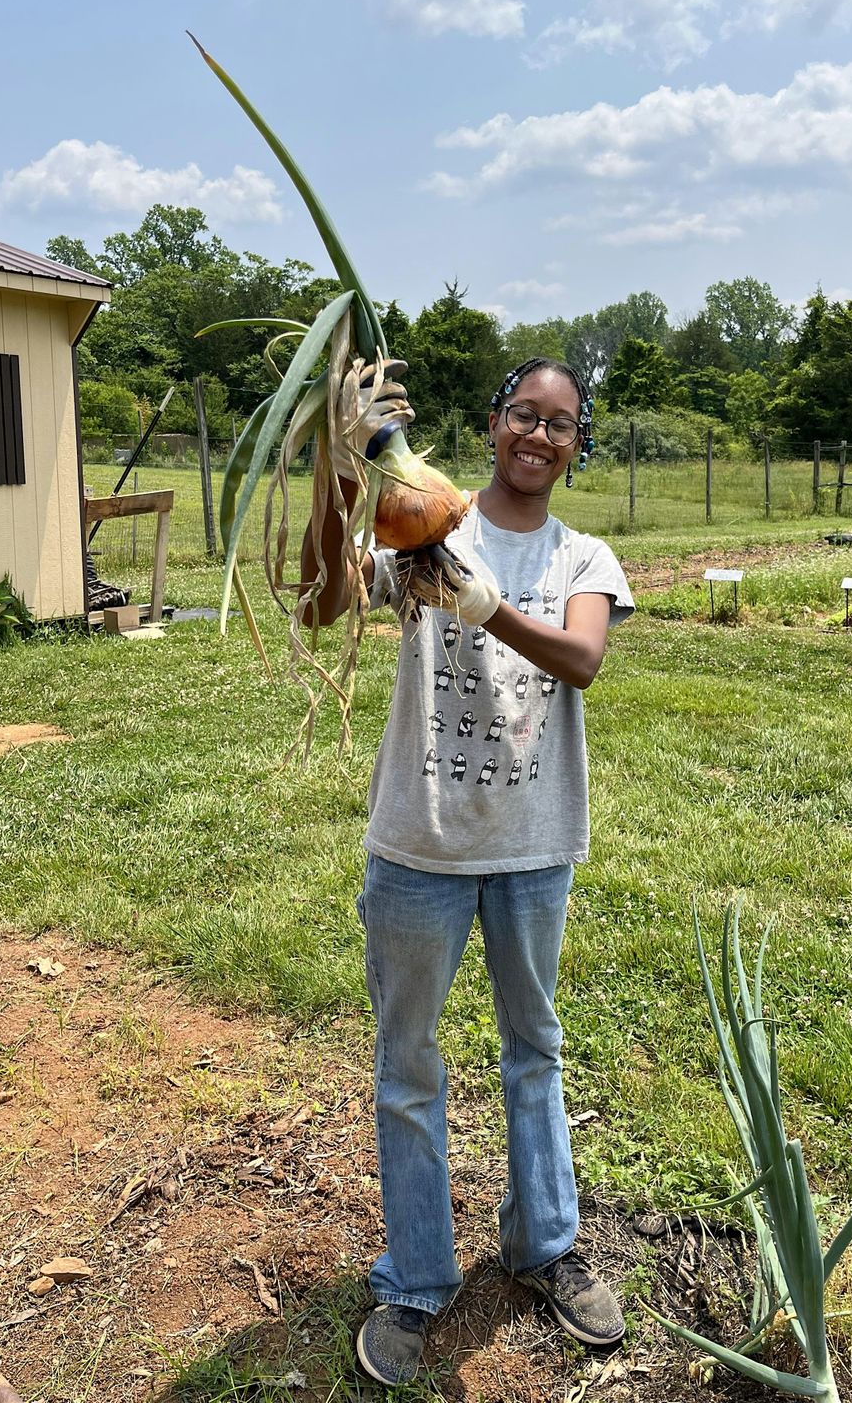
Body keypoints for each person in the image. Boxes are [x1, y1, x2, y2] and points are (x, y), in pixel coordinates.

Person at [301, 356, 634, 1389]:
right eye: (524, 416)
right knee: (409, 1065)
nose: (540, 436)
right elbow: (322, 603)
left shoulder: (586, 555)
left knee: (535, 1049)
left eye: (562, 424)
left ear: (578, 447)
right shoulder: (424, 521)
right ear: (493, 424)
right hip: (419, 845)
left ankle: (545, 1248)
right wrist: (346, 473)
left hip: (534, 847)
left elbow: (581, 661)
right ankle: (417, 1279)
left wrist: (485, 605)